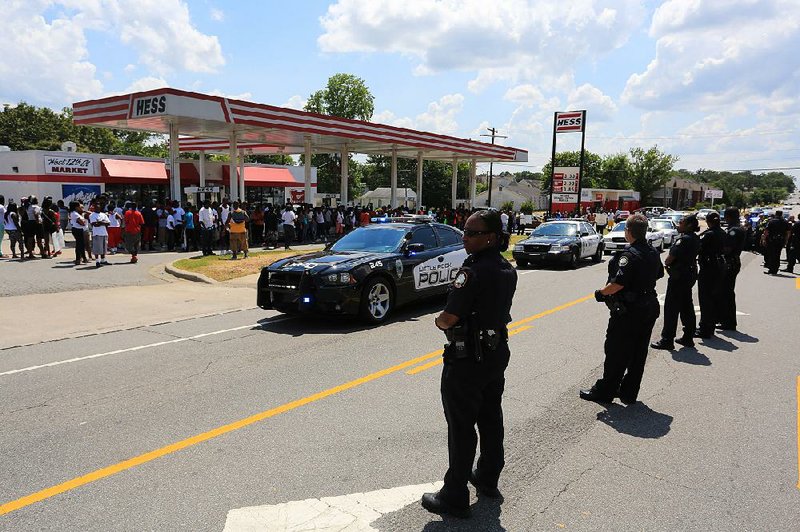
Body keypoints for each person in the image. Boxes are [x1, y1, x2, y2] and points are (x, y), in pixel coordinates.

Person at [421, 210, 517, 519]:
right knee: (491, 416)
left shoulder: (471, 272)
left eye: (472, 233)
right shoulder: (506, 267)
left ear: (490, 237)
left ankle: (454, 495)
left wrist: (439, 321)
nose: (465, 237)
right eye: (464, 231)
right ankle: (488, 476)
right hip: (496, 351)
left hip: (468, 357)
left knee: (461, 426)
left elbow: (448, 318)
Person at [581, 214, 663, 404]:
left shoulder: (629, 255)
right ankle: (629, 392)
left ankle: (606, 391)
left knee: (616, 350)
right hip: (649, 306)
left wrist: (600, 293)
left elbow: (618, 283)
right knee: (638, 352)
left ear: (629, 232)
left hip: (630, 310)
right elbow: (659, 273)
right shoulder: (652, 251)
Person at [651, 214, 700, 350]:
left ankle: (667, 339)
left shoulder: (683, 240)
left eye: (681, 222)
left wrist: (667, 264)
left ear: (689, 225)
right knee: (687, 306)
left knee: (672, 308)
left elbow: (669, 259)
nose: (679, 224)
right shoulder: (695, 238)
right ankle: (688, 336)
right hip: (689, 274)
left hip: (679, 276)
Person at [695, 212, 725, 338]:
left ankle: (705, 328)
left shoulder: (709, 235)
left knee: (705, 298)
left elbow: (699, 248)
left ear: (708, 221)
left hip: (708, 269)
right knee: (713, 298)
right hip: (718, 267)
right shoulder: (722, 232)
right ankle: (710, 326)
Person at [717, 208, 747, 330]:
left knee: (726, 293)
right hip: (733, 262)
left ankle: (728, 321)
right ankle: (725, 319)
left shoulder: (733, 231)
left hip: (729, 263)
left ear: (729, 217)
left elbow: (727, 249)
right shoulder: (738, 228)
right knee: (726, 292)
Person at [763, 210, 790, 275]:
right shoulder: (785, 222)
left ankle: (772, 269)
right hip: (781, 240)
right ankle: (775, 268)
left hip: (772, 240)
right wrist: (786, 241)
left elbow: (766, 231)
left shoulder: (771, 221)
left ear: (776, 214)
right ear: (781, 214)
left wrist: (764, 239)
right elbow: (788, 233)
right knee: (777, 255)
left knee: (772, 255)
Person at [89, 200, 111, 267]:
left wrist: (100, 222)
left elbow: (108, 223)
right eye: (96, 205)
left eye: (99, 205)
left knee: (103, 248)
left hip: (104, 233)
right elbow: (95, 224)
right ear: (94, 207)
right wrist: (103, 222)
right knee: (97, 248)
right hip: (97, 234)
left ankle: (103, 260)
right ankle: (97, 261)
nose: (97, 206)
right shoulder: (92, 215)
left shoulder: (103, 214)